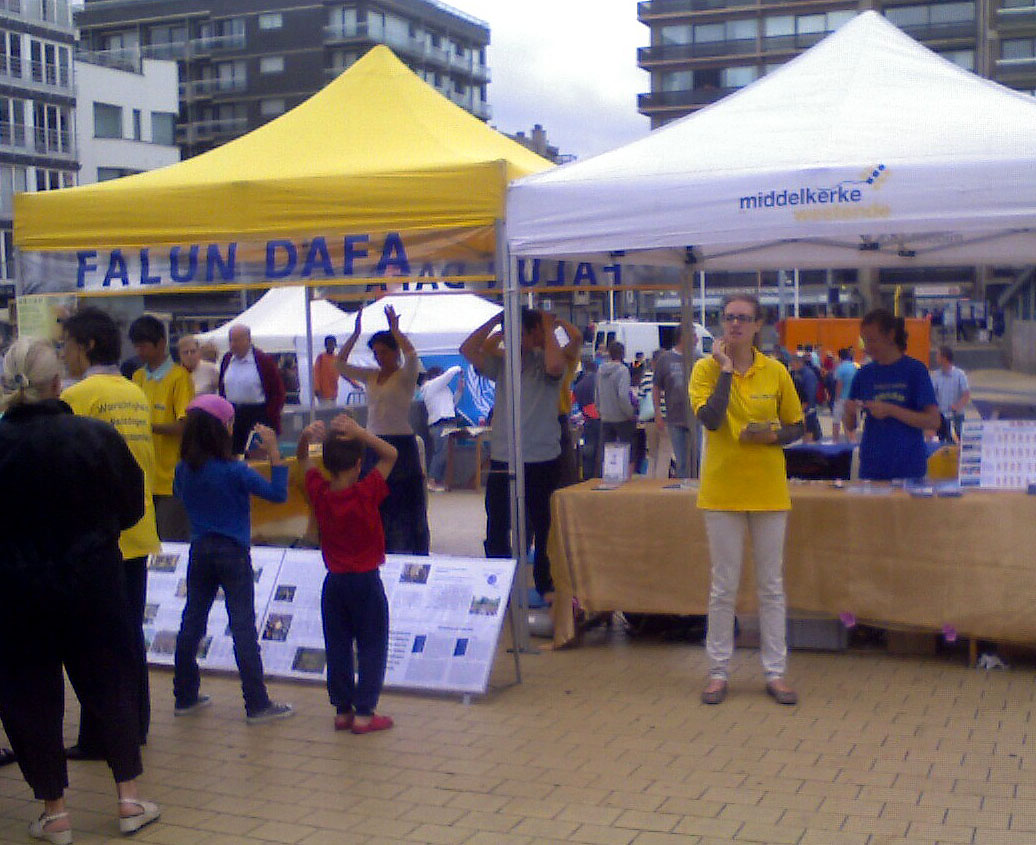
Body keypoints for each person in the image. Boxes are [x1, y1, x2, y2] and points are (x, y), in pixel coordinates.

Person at [0, 339, 160, 843]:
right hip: (94, 582)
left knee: (29, 694)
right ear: (57, 383)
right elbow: (132, 507)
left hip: (16, 589)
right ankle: (129, 799)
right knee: (110, 683)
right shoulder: (95, 436)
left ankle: (55, 812)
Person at [691, 294, 804, 707]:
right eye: (729, 317)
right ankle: (718, 671)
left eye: (743, 318)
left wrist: (771, 436)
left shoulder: (775, 371)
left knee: (771, 586)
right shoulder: (705, 369)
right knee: (724, 586)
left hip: (768, 491)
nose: (734, 324)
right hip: (721, 492)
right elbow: (711, 419)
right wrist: (725, 369)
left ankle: (775, 672)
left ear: (758, 325)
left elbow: (796, 426)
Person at [60, 307, 160, 760]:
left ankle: (101, 736)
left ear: (88, 346)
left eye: (67, 344)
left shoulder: (78, 396)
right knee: (129, 634)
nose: (64, 353)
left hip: (99, 537)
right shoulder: (133, 392)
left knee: (95, 641)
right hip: (138, 527)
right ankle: (135, 725)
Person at [171, 394, 294, 724]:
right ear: (221, 429)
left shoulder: (183, 469)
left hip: (200, 550)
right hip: (233, 553)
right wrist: (274, 452)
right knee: (242, 627)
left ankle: (184, 695)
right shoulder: (235, 471)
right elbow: (278, 494)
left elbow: (180, 494)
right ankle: (256, 703)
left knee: (192, 621)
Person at [298, 414, 397, 734]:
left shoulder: (319, 492)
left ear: (327, 463)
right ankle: (365, 713)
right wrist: (361, 432)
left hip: (335, 583)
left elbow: (303, 459)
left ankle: (343, 710)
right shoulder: (366, 492)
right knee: (372, 645)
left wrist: (306, 438)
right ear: (358, 464)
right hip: (366, 581)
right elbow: (391, 454)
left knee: (338, 645)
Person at [461, 308, 564, 600]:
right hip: (504, 456)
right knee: (496, 523)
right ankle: (497, 585)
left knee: (543, 525)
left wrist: (547, 328)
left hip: (541, 457)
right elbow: (467, 349)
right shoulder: (503, 363)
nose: (515, 339)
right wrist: (498, 320)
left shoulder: (548, 359)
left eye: (522, 332)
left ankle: (545, 583)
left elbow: (555, 366)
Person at [336, 306, 430, 554]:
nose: (379, 357)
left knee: (405, 500)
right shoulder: (370, 375)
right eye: (376, 353)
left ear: (395, 352)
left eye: (384, 352)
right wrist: (355, 334)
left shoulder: (405, 374)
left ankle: (411, 550)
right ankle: (378, 546)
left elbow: (412, 355)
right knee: (374, 497)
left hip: (401, 442)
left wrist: (395, 331)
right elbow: (340, 365)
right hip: (373, 441)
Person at [844, 309, 942, 480]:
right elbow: (851, 425)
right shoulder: (864, 374)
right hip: (871, 468)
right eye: (864, 341)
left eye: (872, 340)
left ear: (890, 335)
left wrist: (891, 410)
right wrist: (850, 412)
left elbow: (933, 421)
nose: (867, 348)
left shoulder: (915, 371)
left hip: (908, 469)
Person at [130, 315, 195, 542]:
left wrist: (149, 428)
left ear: (161, 343)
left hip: (171, 478)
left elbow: (185, 425)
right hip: (143, 478)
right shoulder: (138, 377)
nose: (139, 351)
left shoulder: (179, 377)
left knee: (170, 542)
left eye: (144, 346)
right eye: (136, 346)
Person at [218, 324, 286, 455]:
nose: (233, 345)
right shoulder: (227, 360)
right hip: (233, 414)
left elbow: (277, 391)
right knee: (232, 453)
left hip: (257, 415)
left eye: (237, 340)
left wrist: (270, 417)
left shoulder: (262, 360)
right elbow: (221, 388)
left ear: (248, 340)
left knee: (256, 455)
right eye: (231, 340)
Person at [653, 326, 696, 478]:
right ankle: (683, 486)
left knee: (698, 458)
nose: (697, 339)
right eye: (693, 335)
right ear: (683, 337)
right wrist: (658, 413)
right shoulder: (665, 359)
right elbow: (656, 387)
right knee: (681, 460)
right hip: (675, 418)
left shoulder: (699, 358)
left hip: (696, 418)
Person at [596, 340, 637, 476]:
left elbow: (597, 393)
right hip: (622, 417)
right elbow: (623, 396)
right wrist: (630, 413)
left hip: (606, 416)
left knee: (607, 452)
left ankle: (608, 477)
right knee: (629, 450)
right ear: (622, 354)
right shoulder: (623, 370)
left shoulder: (600, 370)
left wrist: (600, 410)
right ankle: (627, 479)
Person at [420, 364, 463, 492]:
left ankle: (438, 480)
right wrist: (459, 369)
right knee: (440, 453)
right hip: (440, 423)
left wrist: (459, 391)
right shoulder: (430, 386)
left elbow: (451, 403)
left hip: (447, 422)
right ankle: (432, 480)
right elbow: (448, 375)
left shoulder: (443, 389)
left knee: (444, 453)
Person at [642, 349, 674, 479]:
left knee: (652, 454)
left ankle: (650, 481)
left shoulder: (646, 378)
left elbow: (641, 397)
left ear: (653, 362)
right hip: (666, 419)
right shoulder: (670, 377)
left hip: (649, 419)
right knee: (665, 453)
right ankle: (660, 483)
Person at [931, 345, 970, 443]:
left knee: (958, 441)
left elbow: (966, 394)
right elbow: (931, 394)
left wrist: (957, 406)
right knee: (943, 443)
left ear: (944, 358)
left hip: (957, 416)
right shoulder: (935, 375)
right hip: (941, 416)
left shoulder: (960, 375)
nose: (936, 358)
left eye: (938, 355)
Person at [571, 359, 599, 481]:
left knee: (589, 450)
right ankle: (600, 475)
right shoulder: (599, 381)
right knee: (602, 450)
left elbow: (570, 403)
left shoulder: (579, 385)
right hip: (603, 419)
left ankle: (588, 477)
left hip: (588, 420)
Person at [788, 354, 822, 443]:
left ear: (799, 363)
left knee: (809, 430)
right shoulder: (795, 373)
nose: (791, 366)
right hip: (800, 405)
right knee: (804, 430)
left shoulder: (808, 375)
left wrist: (807, 406)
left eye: (793, 364)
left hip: (807, 407)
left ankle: (809, 446)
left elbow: (810, 392)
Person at [831, 348, 858, 443]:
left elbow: (839, 384)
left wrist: (836, 398)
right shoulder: (855, 367)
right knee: (850, 420)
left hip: (842, 398)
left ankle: (835, 440)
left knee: (836, 420)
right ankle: (852, 440)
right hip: (852, 398)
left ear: (840, 357)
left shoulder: (840, 368)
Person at [313, 335, 341, 403]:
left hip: (333, 393)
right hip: (323, 393)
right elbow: (316, 373)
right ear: (325, 345)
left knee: (333, 409)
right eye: (329, 344)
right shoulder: (321, 357)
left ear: (335, 345)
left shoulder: (337, 358)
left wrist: (355, 384)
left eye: (332, 344)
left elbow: (344, 372)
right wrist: (316, 388)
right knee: (325, 409)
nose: (331, 346)